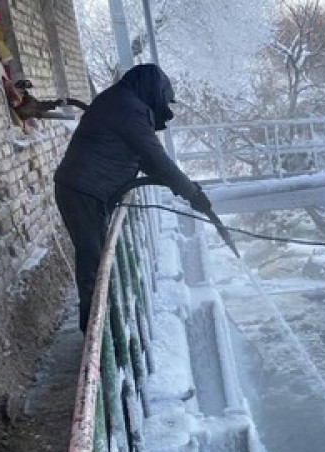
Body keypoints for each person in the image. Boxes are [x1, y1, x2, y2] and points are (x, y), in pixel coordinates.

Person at [54, 63, 212, 332]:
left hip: (85, 190)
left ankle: (101, 325)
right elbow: (156, 158)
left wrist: (187, 188)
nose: (165, 106)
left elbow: (147, 161)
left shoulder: (122, 101)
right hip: (84, 191)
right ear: (153, 90)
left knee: (98, 260)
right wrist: (191, 193)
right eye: (164, 98)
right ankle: (96, 334)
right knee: (93, 264)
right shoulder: (128, 108)